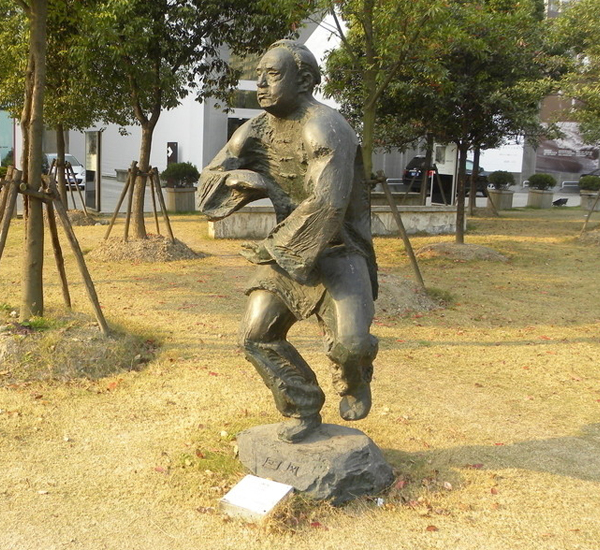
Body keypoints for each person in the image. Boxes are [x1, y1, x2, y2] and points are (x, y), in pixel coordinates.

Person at [198, 40, 378, 443]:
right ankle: (302, 405)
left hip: (338, 251)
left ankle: (354, 375)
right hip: (286, 252)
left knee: (351, 346)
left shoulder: (326, 126)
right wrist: (239, 179)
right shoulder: (254, 130)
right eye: (258, 75)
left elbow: (328, 203)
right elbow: (208, 183)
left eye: (273, 75)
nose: (260, 84)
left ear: (305, 81)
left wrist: (273, 248)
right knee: (256, 335)